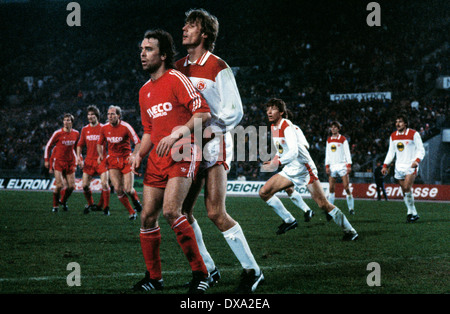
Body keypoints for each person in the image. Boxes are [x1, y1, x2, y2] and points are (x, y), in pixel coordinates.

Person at [175, 8, 263, 293]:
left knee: (214, 211)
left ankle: (253, 270)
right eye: (185, 23)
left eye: (192, 24)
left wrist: (211, 130)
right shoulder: (178, 68)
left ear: (204, 33)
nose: (185, 28)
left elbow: (234, 110)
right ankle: (209, 269)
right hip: (188, 146)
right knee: (182, 212)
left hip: (214, 144)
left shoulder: (217, 66)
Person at [131, 29, 212, 294]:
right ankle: (155, 278)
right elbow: (148, 131)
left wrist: (178, 133)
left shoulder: (176, 79)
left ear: (163, 54)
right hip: (157, 158)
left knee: (171, 211)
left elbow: (203, 113)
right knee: (146, 217)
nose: (143, 54)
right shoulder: (144, 92)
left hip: (183, 151)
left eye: (149, 49)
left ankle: (202, 273)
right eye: (142, 49)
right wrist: (138, 154)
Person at [259, 98, 358, 241]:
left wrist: (277, 162)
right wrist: (275, 159)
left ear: (281, 112)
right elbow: (281, 150)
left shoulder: (287, 125)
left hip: (305, 170)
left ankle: (350, 231)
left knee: (323, 204)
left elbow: (293, 151)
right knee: (264, 192)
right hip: (290, 169)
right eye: (267, 108)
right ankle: (289, 220)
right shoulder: (273, 127)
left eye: (273, 108)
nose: (269, 111)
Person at [97, 105, 142, 219]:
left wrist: (133, 155)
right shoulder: (104, 128)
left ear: (118, 115)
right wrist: (100, 155)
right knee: (118, 189)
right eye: (108, 114)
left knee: (128, 189)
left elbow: (138, 142)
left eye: (112, 114)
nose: (110, 116)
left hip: (126, 159)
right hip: (112, 160)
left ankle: (136, 201)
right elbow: (99, 143)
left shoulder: (126, 127)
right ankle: (132, 212)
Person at [381, 114, 425, 222]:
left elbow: (421, 149)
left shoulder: (414, 134)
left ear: (405, 123)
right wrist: (385, 165)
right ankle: (412, 213)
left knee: (406, 187)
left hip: (410, 165)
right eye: (396, 122)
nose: (397, 124)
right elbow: (391, 152)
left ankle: (412, 213)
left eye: (400, 121)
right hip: (398, 167)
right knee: (404, 191)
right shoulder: (393, 136)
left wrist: (417, 161)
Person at [76, 105, 111, 215]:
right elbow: (80, 145)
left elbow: (111, 143)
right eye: (89, 114)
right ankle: (91, 204)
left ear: (97, 116)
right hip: (89, 161)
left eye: (92, 115)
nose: (90, 116)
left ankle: (106, 208)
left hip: (102, 160)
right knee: (85, 185)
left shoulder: (103, 128)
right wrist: (79, 158)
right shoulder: (85, 129)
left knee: (105, 184)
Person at [44, 113, 79, 212]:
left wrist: (79, 158)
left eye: (68, 120)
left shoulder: (76, 133)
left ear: (72, 122)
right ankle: (55, 206)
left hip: (70, 162)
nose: (66, 122)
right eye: (65, 120)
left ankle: (63, 200)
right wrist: (47, 160)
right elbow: (48, 146)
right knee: (59, 185)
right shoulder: (58, 133)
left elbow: (77, 147)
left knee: (71, 186)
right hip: (59, 162)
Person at [325, 121, 355, 215]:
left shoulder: (343, 139)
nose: (333, 129)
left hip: (342, 165)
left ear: (338, 129)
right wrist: (327, 165)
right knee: (331, 188)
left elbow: (347, 152)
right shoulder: (329, 140)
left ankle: (351, 208)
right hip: (332, 166)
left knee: (346, 187)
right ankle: (330, 209)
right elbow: (327, 154)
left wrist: (349, 164)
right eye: (332, 127)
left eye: (335, 127)